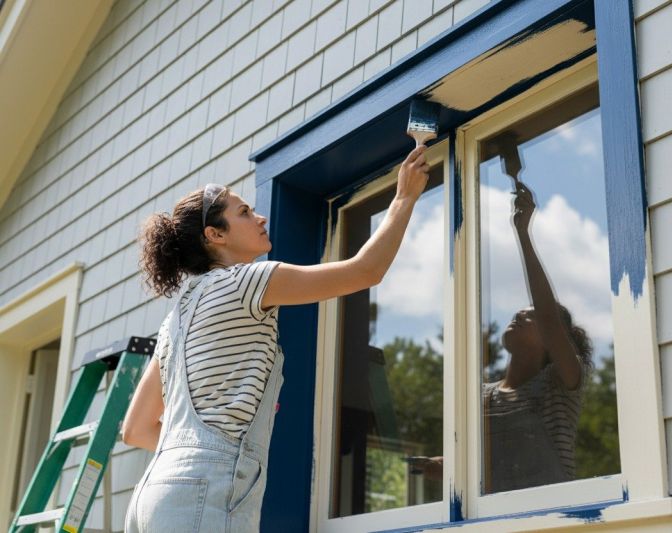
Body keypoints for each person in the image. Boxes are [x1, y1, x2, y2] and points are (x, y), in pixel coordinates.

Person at [122, 145, 430, 532]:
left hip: (153, 492)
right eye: (244, 213)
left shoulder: (175, 320)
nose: (260, 217)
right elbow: (365, 271)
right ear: (215, 235)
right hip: (205, 492)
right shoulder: (246, 280)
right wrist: (404, 197)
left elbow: (135, 428)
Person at [482, 178, 593, 492]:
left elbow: (549, 317)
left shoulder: (560, 385)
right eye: (521, 311)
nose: (520, 314)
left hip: (553, 516)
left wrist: (523, 234)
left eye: (531, 315)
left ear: (552, 340)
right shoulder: (480, 397)